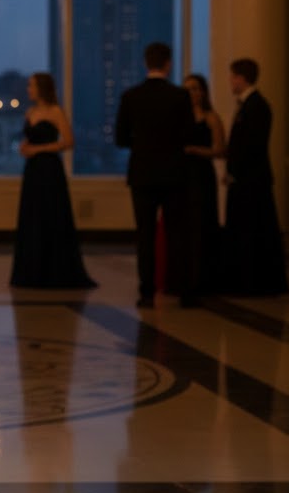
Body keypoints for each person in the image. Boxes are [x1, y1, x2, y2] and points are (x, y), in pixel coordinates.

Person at [114, 42, 195, 308]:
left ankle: (146, 292)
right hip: (174, 173)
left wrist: (142, 143)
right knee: (178, 235)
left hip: (143, 174)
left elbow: (120, 138)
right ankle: (183, 290)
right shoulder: (180, 96)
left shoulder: (131, 96)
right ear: (168, 64)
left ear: (145, 63)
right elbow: (189, 134)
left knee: (145, 236)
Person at [10, 72, 95, 289]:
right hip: (33, 170)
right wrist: (26, 148)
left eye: (31, 85)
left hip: (50, 169)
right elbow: (30, 139)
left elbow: (68, 141)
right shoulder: (30, 112)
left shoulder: (56, 111)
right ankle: (33, 271)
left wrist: (38, 149)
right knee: (33, 217)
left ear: (42, 88)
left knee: (52, 216)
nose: (28, 89)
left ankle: (55, 271)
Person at [221, 58, 289, 296]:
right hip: (247, 179)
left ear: (241, 78)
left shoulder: (256, 106)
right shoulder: (250, 105)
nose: (230, 81)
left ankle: (252, 281)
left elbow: (251, 146)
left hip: (250, 181)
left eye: (232, 76)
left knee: (252, 231)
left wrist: (234, 172)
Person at [182, 73, 225, 295]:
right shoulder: (179, 118)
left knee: (202, 223)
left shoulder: (211, 117)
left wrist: (196, 150)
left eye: (196, 88)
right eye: (188, 89)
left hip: (201, 175)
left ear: (204, 91)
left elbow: (220, 149)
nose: (193, 93)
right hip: (182, 175)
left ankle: (204, 277)